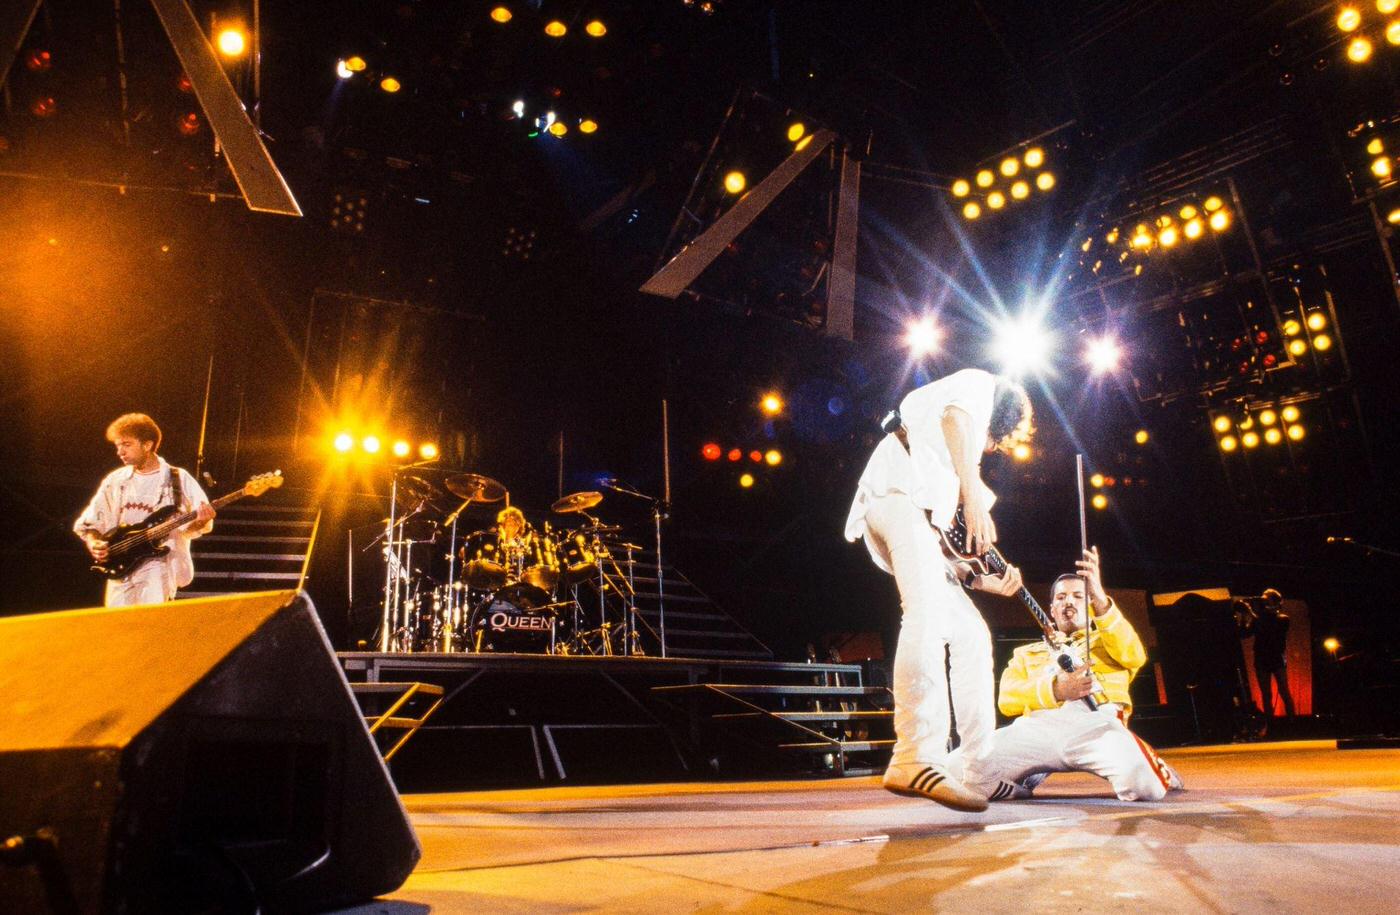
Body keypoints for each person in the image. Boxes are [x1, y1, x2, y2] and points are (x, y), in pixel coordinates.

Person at [845, 368, 1033, 812]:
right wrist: (972, 499)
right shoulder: (979, 385)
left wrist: (974, 576)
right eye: (1006, 438)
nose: (1000, 449)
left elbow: (939, 541)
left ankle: (980, 769)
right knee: (924, 616)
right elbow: (955, 418)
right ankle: (915, 756)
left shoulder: (946, 462)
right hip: (894, 495)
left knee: (972, 635)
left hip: (913, 513)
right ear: (1006, 415)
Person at [951, 546, 1184, 802]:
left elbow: (1135, 656)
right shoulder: (1026, 652)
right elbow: (1006, 700)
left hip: (1095, 725)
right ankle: (1021, 785)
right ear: (1052, 609)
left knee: (1145, 787)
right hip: (1035, 729)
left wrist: (1100, 597)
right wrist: (1056, 690)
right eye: (1061, 598)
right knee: (951, 771)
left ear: (1091, 605)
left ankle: (1153, 765)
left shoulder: (1109, 639)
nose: (1068, 601)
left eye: (1077, 596)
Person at [74, 413, 215, 607]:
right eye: (118, 446)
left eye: (126, 444)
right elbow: (91, 523)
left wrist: (201, 521)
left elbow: (194, 526)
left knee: (150, 625)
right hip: (121, 564)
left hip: (157, 565)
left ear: (147, 445)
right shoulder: (115, 480)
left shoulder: (178, 478)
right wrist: (94, 543)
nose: (120, 452)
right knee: (117, 627)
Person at [1245, 588, 1296, 720]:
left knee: (1284, 691)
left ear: (1275, 602)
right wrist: (1244, 617)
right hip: (1261, 658)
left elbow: (1270, 626)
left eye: (1266, 599)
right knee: (1266, 694)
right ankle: (1270, 724)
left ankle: (1294, 722)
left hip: (1276, 657)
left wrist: (1253, 612)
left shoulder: (1283, 619)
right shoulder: (1258, 618)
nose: (1263, 601)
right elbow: (1245, 634)